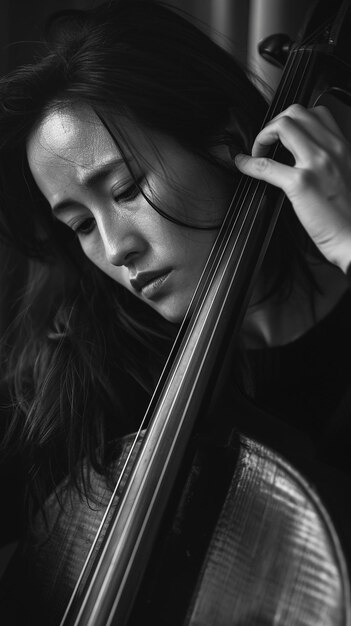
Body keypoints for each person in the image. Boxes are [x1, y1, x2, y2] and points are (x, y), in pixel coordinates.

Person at [0, 0, 351, 623]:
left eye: (127, 189)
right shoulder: (87, 383)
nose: (114, 249)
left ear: (226, 141)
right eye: (81, 224)